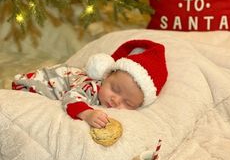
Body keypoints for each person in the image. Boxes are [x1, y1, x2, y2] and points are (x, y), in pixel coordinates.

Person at [12, 39, 168, 128]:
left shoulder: (108, 95)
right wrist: (87, 114)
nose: (116, 100)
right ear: (105, 76)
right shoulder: (91, 86)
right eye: (115, 89)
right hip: (32, 87)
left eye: (128, 103)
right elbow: (71, 97)